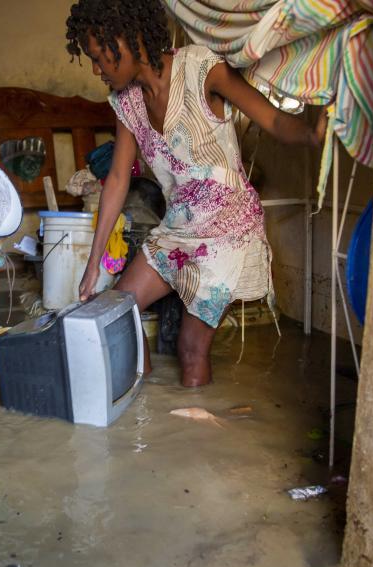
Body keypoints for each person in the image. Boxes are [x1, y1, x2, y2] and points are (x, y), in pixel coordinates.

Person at [66, 0, 326, 387]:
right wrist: (93, 264)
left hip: (228, 229)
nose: (95, 68)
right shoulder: (127, 103)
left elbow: (269, 117)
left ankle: (197, 427)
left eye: (100, 56)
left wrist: (311, 134)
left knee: (190, 349)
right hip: (178, 229)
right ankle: (142, 424)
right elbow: (118, 178)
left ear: (127, 39)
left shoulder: (201, 68)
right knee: (120, 313)